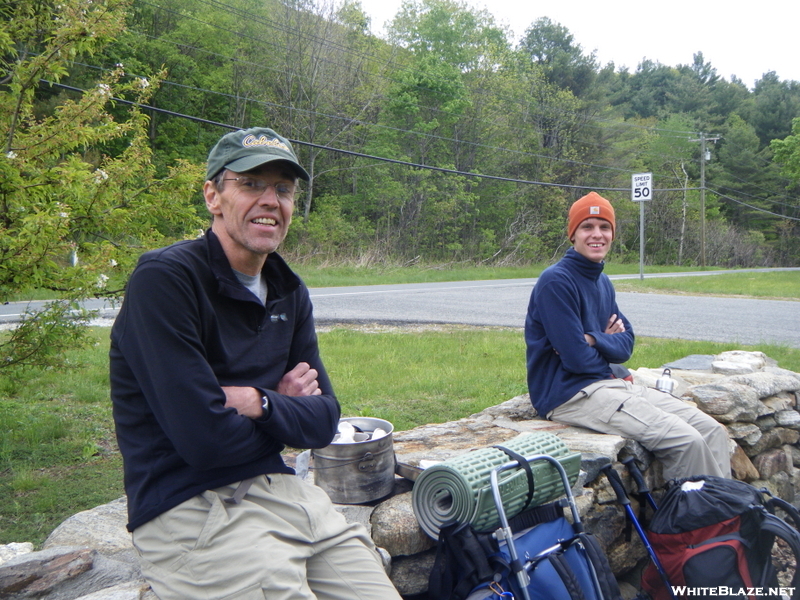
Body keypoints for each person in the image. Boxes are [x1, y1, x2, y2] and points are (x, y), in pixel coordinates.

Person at [110, 126, 403, 600]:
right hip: (193, 508)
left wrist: (256, 402)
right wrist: (284, 408)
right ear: (213, 195)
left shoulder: (288, 289)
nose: (270, 200)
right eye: (250, 184)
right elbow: (204, 442)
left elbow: (323, 421)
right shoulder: (166, 281)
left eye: (283, 189)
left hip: (285, 492)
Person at [524, 191, 731, 480]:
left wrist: (594, 339)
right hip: (571, 395)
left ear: (612, 233)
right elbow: (576, 361)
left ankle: (727, 514)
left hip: (612, 384)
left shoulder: (602, 281)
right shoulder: (556, 282)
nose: (597, 234)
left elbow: (625, 346)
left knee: (712, 430)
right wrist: (599, 349)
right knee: (687, 441)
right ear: (572, 234)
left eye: (604, 227)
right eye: (587, 226)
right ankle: (695, 522)